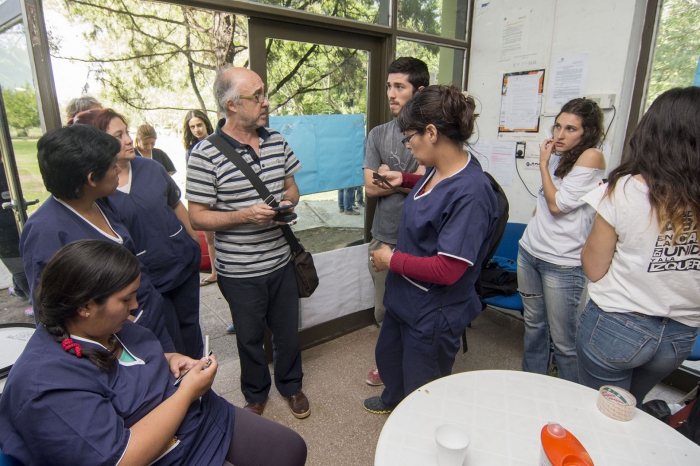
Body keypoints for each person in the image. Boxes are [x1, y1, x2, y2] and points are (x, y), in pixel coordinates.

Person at [0, 240, 307, 466]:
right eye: (126, 299)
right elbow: (122, 458)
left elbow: (127, 362)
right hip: (158, 452)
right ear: (85, 306)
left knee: (291, 450)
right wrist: (186, 394)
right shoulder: (46, 386)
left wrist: (169, 359)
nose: (135, 307)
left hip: (196, 418)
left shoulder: (99, 326)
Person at [363, 85, 499, 414]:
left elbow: (448, 270)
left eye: (410, 137)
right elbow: (430, 193)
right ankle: (392, 398)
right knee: (391, 357)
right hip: (405, 297)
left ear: (432, 132)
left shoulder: (471, 193)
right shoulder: (436, 168)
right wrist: (406, 180)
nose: (407, 144)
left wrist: (391, 259)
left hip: (434, 308)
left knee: (423, 383)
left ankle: (419, 428)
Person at [187, 66, 309, 419]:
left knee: (287, 333)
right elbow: (197, 216)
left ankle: (292, 386)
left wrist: (288, 203)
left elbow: (292, 188)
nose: (265, 102)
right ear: (232, 105)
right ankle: (255, 393)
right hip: (239, 271)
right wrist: (244, 215)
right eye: (257, 96)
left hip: (282, 262)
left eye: (264, 93)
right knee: (249, 338)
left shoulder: (277, 141)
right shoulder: (204, 154)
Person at [576, 86, 700, 404]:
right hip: (680, 334)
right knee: (633, 409)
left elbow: (593, 267)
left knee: (602, 412)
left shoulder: (627, 190)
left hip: (617, 325)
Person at [19, 124, 174, 352]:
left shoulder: (102, 201)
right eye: (113, 167)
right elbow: (49, 312)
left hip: (148, 317)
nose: (119, 172)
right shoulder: (45, 232)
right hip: (114, 340)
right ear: (91, 179)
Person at [74, 108, 203, 359]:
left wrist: (194, 242)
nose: (129, 140)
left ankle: (201, 383)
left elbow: (176, 204)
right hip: (148, 281)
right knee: (167, 338)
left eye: (127, 132)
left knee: (191, 329)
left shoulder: (152, 168)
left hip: (182, 264)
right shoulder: (98, 189)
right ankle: (181, 390)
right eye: (118, 135)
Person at [518, 98, 606, 383]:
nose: (559, 135)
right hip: (530, 252)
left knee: (564, 340)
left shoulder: (591, 156)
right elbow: (544, 204)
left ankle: (571, 397)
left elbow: (558, 206)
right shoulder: (559, 155)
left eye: (570, 129)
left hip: (562, 264)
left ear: (588, 132)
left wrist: (543, 164)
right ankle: (533, 382)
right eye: (558, 126)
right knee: (533, 325)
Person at [362, 57, 428, 386]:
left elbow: (434, 182)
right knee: (383, 309)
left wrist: (397, 179)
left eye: (399, 86)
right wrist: (411, 179)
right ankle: (387, 364)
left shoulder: (432, 134)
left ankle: (412, 369)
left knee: (416, 310)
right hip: (384, 235)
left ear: (419, 91)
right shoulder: (377, 134)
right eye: (389, 86)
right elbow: (371, 188)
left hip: (422, 240)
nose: (391, 93)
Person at [183, 110, 220, 290]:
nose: (196, 129)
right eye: (192, 127)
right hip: (204, 201)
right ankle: (215, 272)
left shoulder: (219, 142)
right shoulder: (190, 151)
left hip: (221, 199)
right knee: (210, 239)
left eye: (199, 125)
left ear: (206, 124)